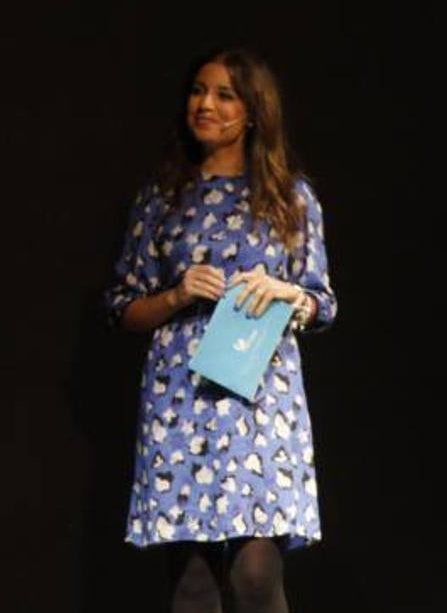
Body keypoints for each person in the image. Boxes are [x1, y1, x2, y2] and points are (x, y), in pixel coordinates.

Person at [104, 49, 335, 613]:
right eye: (198, 91)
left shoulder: (291, 199)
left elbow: (322, 303)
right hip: (181, 398)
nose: (204, 104)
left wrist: (288, 294)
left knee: (255, 575)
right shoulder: (163, 198)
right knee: (193, 584)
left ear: (253, 111)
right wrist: (177, 294)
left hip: (261, 395)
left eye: (224, 95)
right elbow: (122, 306)